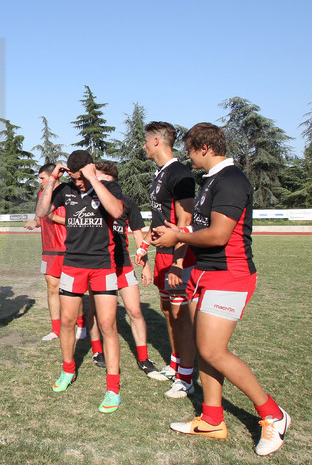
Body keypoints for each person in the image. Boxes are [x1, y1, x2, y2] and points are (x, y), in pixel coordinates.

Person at [152, 122, 290, 456]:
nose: (187, 155)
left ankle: (274, 414)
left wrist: (178, 238)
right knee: (205, 348)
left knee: (213, 351)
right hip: (206, 274)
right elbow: (200, 228)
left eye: (190, 149)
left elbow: (218, 236)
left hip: (231, 275)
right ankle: (213, 418)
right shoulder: (212, 180)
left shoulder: (231, 180)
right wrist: (177, 239)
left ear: (204, 147)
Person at [35, 150, 125, 413]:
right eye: (74, 178)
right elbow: (42, 212)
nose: (78, 183)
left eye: (81, 177)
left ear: (90, 169)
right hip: (72, 264)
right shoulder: (65, 189)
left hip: (102, 265)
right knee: (66, 321)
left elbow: (118, 211)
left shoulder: (107, 186)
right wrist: (53, 179)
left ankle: (113, 388)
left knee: (108, 325)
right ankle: (68, 370)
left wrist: (93, 178)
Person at [88, 161, 165, 381]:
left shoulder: (127, 203)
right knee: (95, 310)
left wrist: (146, 265)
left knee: (135, 311)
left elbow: (139, 235)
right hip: (99, 265)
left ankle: (144, 359)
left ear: (110, 179)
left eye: (100, 177)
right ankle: (97, 350)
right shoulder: (91, 202)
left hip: (123, 264)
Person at [138, 121, 198, 397]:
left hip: (177, 256)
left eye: (145, 140)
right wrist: (143, 248)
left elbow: (185, 221)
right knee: (167, 313)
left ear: (156, 142)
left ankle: (187, 377)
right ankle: (176, 364)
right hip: (161, 254)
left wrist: (178, 261)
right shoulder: (159, 174)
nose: (143, 145)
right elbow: (159, 220)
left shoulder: (180, 173)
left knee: (180, 315)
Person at [24, 164, 82, 343]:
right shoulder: (42, 194)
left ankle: (82, 326)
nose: (39, 181)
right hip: (49, 249)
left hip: (69, 248)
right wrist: (36, 223)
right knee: (52, 288)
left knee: (73, 290)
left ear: (53, 176)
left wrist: (56, 218)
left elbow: (80, 219)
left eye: (42, 178)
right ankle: (55, 329)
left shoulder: (69, 190)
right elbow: (41, 217)